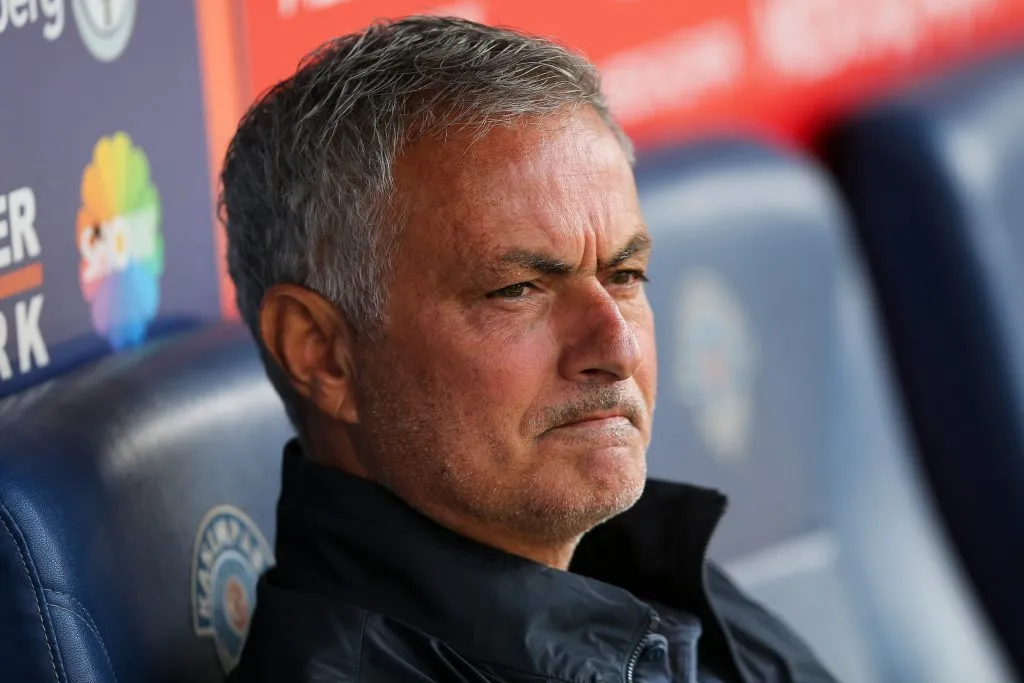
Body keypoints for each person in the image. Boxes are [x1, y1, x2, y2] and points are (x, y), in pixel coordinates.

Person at [220, 16, 838, 683]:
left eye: (624, 276)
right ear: (321, 353)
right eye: (517, 289)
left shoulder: (637, 573)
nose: (617, 345)